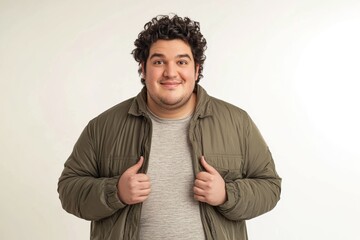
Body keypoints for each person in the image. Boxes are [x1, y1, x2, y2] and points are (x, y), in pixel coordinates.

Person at [58, 14, 281, 240]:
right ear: (143, 69)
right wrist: (115, 192)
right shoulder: (103, 127)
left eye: (182, 62)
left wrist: (227, 194)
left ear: (196, 70)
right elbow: (69, 190)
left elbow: (270, 187)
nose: (170, 73)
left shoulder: (237, 122)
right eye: (158, 62)